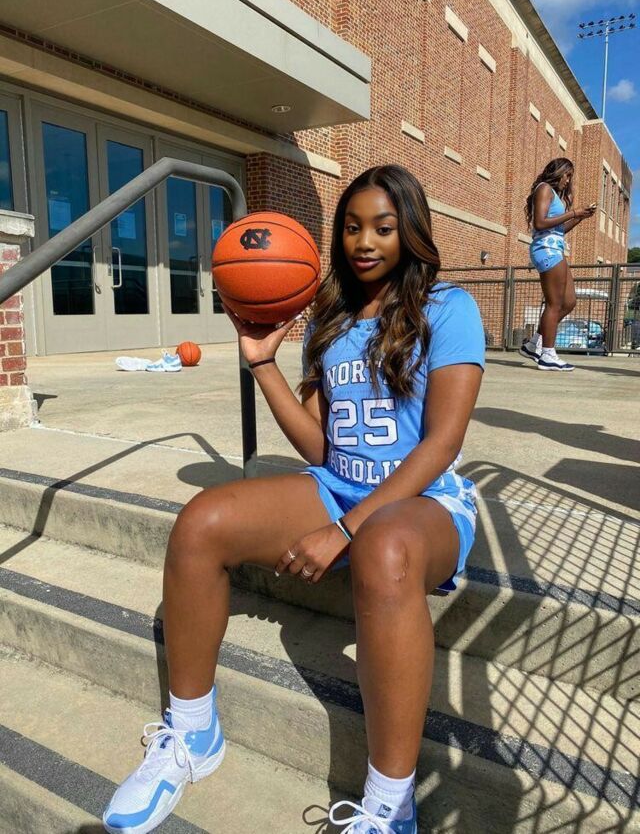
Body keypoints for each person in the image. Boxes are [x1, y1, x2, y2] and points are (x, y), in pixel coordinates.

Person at [102, 164, 485, 834]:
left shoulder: (449, 308)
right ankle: (192, 734)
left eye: (383, 227)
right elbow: (320, 447)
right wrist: (261, 362)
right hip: (340, 487)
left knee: (384, 547)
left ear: (410, 231)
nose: (364, 241)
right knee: (202, 521)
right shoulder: (330, 322)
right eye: (352, 227)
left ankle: (391, 805)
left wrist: (349, 527)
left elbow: (442, 443)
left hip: (426, 501)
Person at [519, 158, 597, 371]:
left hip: (555, 248)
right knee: (554, 304)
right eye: (567, 175)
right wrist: (573, 212)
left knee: (569, 302)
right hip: (547, 250)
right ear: (559, 172)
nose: (568, 180)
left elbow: (558, 230)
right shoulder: (544, 189)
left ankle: (534, 344)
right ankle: (547, 355)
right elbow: (540, 223)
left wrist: (580, 217)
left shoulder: (553, 193)